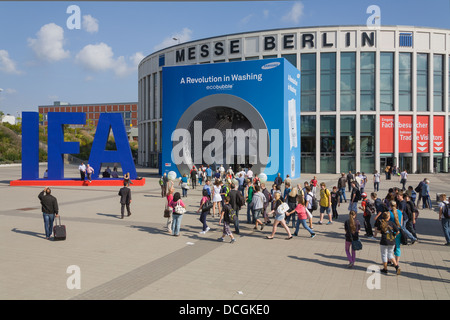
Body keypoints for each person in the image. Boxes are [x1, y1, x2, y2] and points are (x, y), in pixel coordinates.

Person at [389, 201, 403, 268]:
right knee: (397, 247)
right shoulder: (400, 212)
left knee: (389, 247)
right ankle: (396, 262)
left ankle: (390, 260)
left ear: (390, 206)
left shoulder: (389, 213)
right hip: (399, 231)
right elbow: (401, 223)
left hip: (391, 232)